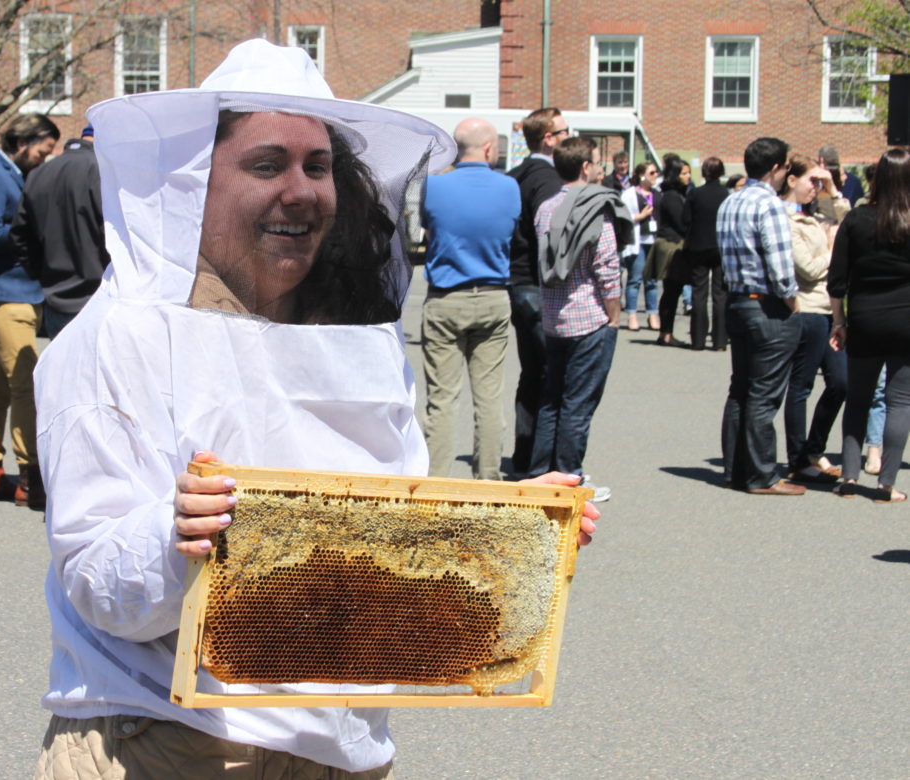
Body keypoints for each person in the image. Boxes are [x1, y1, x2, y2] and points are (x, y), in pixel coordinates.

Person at [32, 40, 597, 779]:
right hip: (167, 741)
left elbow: (372, 528)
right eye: (266, 165)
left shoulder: (355, 333)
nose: (300, 191)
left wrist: (497, 530)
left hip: (339, 747)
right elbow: (98, 581)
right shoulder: (121, 335)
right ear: (197, 183)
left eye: (318, 167)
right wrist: (177, 537)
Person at [0, 113, 60, 508]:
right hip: (2, 293)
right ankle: (28, 474)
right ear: (23, 141)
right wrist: (34, 225)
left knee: (1, 385)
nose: (45, 158)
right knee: (26, 383)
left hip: (19, 291)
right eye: (43, 150)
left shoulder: (14, 175)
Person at [527, 136, 630, 495]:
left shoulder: (545, 208)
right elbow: (606, 265)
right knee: (578, 403)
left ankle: (541, 472)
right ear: (585, 167)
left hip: (554, 318)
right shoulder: (595, 207)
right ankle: (571, 476)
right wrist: (614, 313)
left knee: (551, 398)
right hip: (589, 316)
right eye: (597, 162)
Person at [419, 117, 518, 480]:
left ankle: (437, 485)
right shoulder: (510, 188)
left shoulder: (435, 185)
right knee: (489, 398)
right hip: (493, 296)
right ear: (490, 148)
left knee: (442, 400)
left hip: (446, 297)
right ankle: (488, 482)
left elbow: (429, 227)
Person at [717, 137, 804, 496]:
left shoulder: (731, 200)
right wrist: (792, 302)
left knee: (741, 387)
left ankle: (735, 469)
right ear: (775, 169)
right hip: (765, 303)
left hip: (737, 300)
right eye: (785, 168)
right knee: (763, 393)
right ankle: (762, 475)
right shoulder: (769, 205)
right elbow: (781, 265)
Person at [829, 147, 910, 502]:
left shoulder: (858, 219)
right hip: (906, 318)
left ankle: (848, 477)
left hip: (864, 317)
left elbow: (837, 279)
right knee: (900, 402)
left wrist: (839, 321)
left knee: (859, 399)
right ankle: (886, 484)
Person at [779, 154, 849, 483]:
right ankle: (798, 460)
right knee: (801, 386)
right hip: (806, 309)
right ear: (792, 180)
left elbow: (848, 223)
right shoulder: (784, 217)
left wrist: (833, 190)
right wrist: (834, 249)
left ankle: (813, 447)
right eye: (812, 181)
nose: (815, 188)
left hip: (829, 309)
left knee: (840, 382)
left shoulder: (812, 214)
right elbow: (807, 268)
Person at [505, 107, 567, 475]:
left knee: (532, 373)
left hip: (516, 279)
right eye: (564, 132)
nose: (568, 138)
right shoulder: (547, 178)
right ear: (549, 138)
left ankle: (525, 455)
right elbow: (551, 232)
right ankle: (544, 465)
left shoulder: (516, 175)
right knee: (550, 375)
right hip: (537, 283)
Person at [10, 124, 110, 339]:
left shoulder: (38, 174)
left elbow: (20, 235)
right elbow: (115, 235)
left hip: (55, 295)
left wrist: (41, 273)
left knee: (62, 371)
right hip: (97, 298)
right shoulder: (104, 171)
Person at [682, 157, 730, 351]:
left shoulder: (695, 193)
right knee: (720, 294)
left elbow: (686, 219)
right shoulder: (726, 194)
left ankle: (698, 340)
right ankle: (719, 341)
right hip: (720, 247)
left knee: (699, 293)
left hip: (699, 246)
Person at [646, 157, 691, 346]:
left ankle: (666, 332)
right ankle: (666, 333)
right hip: (671, 246)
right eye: (684, 173)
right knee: (671, 291)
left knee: (673, 291)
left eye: (689, 173)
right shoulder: (672, 196)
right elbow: (681, 222)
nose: (688, 177)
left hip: (674, 244)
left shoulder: (677, 194)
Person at [619, 162, 659, 330]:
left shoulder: (657, 194)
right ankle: (632, 315)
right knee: (635, 279)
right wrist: (640, 216)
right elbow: (623, 216)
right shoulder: (629, 194)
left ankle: (652, 314)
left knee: (652, 281)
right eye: (652, 172)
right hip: (637, 241)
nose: (655, 175)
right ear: (642, 175)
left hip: (653, 240)